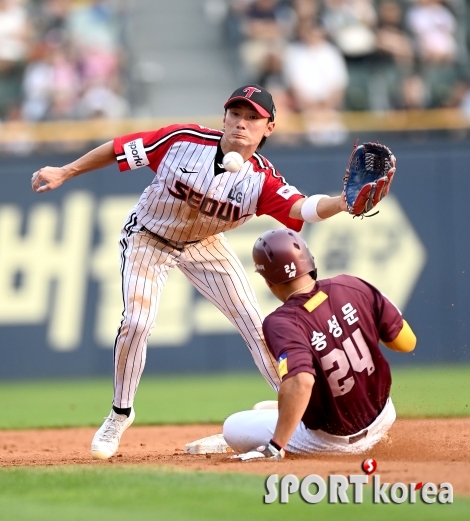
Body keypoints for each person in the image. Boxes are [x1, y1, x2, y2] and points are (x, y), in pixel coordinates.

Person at [31, 84, 348, 460]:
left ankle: (307, 415)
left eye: (252, 118)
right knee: (137, 321)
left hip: (205, 245)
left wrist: (344, 202)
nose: (241, 124)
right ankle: (119, 414)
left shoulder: (262, 179)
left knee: (256, 325)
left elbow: (305, 209)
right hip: (149, 237)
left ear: (269, 128)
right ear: (224, 116)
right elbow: (118, 148)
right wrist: (65, 172)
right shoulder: (183, 141)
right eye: (235, 114)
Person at [223, 228, 416, 460]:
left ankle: (280, 443)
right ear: (309, 262)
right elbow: (406, 344)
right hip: (382, 417)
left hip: (329, 441)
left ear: (268, 281)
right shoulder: (351, 285)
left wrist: (276, 445)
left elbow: (301, 381)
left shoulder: (281, 321)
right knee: (263, 409)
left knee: (232, 426)